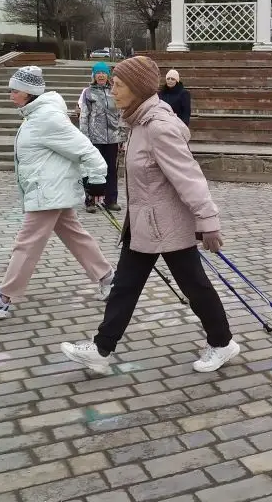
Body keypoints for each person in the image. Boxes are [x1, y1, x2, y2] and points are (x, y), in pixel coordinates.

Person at [60, 56, 240, 376]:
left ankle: (223, 343)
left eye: (119, 85)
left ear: (138, 88)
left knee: (195, 287)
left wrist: (208, 221)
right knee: (124, 287)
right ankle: (101, 349)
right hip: (143, 224)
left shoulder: (158, 127)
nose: (113, 91)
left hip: (167, 226)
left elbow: (189, 177)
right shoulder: (138, 121)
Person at [0, 66, 114, 319]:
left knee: (27, 244)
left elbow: (85, 148)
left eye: (14, 91)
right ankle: (108, 278)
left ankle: (2, 297)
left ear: (28, 92)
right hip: (49, 190)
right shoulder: (35, 115)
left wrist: (98, 178)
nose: (11, 96)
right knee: (75, 236)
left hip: (47, 192)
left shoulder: (47, 117)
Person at [78, 62, 127, 213]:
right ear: (94, 75)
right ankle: (91, 200)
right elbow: (84, 115)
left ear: (108, 75)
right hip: (94, 138)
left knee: (111, 169)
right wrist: (84, 137)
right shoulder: (88, 92)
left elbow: (121, 115)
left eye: (103, 73)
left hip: (112, 138)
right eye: (98, 73)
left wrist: (122, 136)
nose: (101, 75)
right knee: (92, 169)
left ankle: (111, 200)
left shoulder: (114, 92)